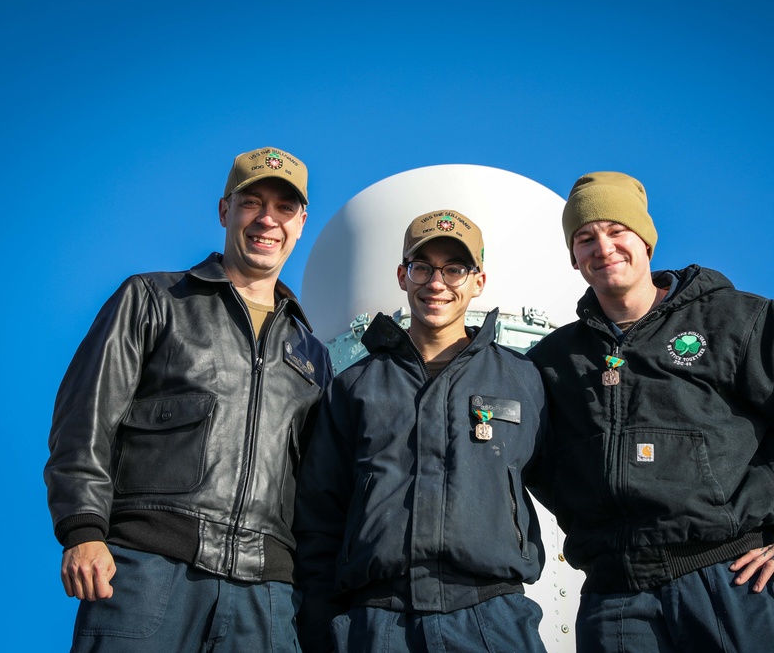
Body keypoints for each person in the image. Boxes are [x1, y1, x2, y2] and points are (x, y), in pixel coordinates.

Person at [527, 172, 774, 653]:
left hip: (730, 579)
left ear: (646, 241)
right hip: (616, 599)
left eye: (616, 231)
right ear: (574, 258)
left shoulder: (735, 321)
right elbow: (532, 465)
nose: (603, 247)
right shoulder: (554, 360)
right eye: (585, 238)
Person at [44, 146, 333, 652]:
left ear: (302, 221)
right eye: (252, 203)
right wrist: (83, 529)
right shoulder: (152, 301)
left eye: (284, 208)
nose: (267, 220)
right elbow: (84, 421)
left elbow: (317, 493)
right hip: (147, 575)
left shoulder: (313, 355)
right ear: (225, 210)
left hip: (266, 601)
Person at [294, 211, 551, 653]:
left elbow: (569, 479)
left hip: (492, 617)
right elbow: (319, 515)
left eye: (455, 269)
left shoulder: (522, 379)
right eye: (422, 267)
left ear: (478, 282)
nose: (437, 283)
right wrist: (321, 625)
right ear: (402, 275)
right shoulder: (354, 387)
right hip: (376, 621)